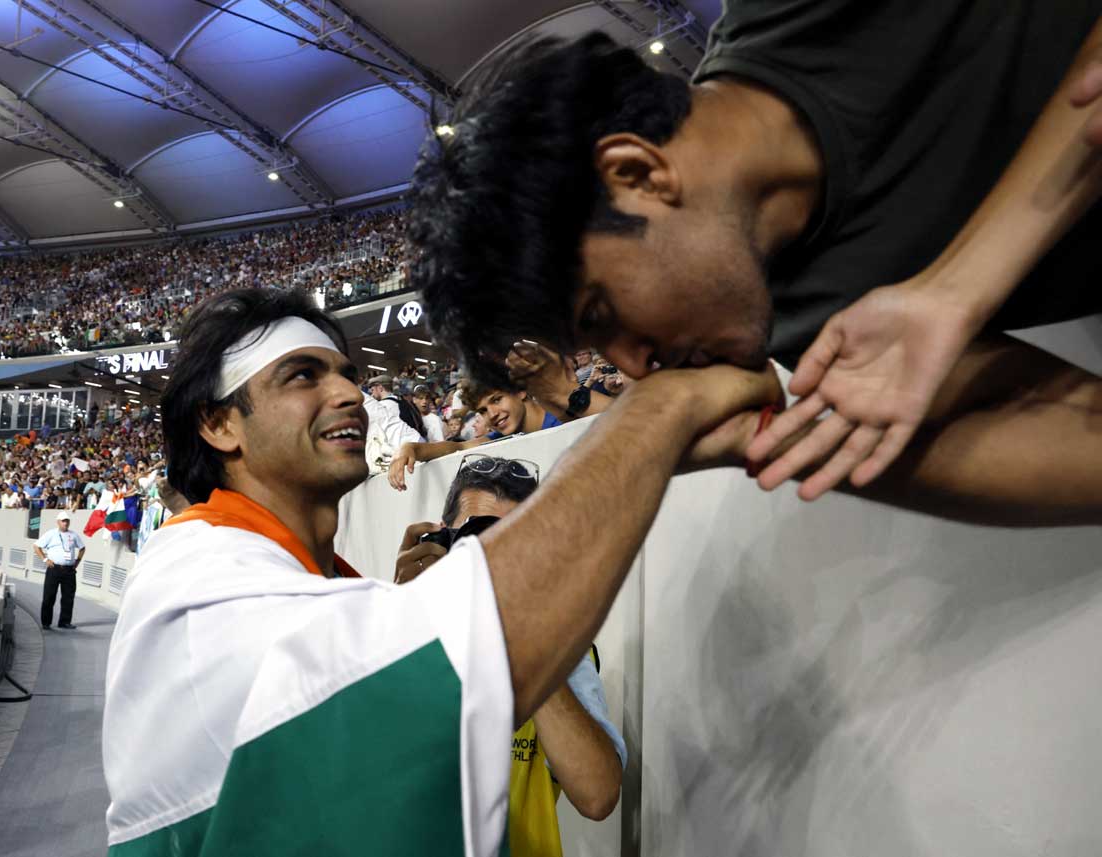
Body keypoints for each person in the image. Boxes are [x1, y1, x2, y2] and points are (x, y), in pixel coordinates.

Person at [101, 286, 782, 856]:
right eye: (303, 375)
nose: (350, 394)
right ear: (220, 425)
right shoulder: (190, 571)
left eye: (347, 373)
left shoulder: (327, 585)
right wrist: (657, 418)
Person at [406, 16, 1102, 526]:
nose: (637, 367)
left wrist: (959, 286)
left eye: (601, 315)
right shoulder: (801, 322)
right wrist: (763, 443)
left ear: (637, 173)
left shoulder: (799, 19)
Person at [395, 454, 626, 856]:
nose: (498, 556)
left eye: (518, 539)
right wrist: (398, 620)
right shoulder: (397, 631)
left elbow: (598, 796)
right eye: (481, 539)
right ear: (443, 539)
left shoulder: (559, 653)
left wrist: (521, 638)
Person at [387, 379, 563, 491]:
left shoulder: (567, 422)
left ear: (520, 391)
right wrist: (410, 448)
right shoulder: (502, 438)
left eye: (497, 399)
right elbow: (458, 447)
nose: (492, 414)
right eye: (483, 410)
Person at [33, 510, 86, 630]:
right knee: (49, 596)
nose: (65, 523)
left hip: (69, 570)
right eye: (63, 521)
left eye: (67, 521)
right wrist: (45, 559)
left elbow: (82, 548)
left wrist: (77, 561)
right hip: (54, 569)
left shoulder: (73, 535)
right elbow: (36, 546)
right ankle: (46, 623)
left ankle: (65, 621)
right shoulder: (51, 534)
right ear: (58, 522)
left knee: (68, 597)